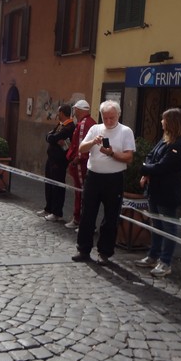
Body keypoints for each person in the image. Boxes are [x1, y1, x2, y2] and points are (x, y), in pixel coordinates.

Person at [72, 100, 135, 265]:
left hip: (114, 179)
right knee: (87, 214)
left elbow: (129, 157)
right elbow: (81, 148)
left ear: (118, 115)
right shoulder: (95, 129)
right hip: (93, 177)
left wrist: (112, 153)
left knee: (110, 217)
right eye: (105, 117)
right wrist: (93, 142)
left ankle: (105, 252)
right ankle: (83, 249)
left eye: (111, 118)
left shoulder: (125, 131)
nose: (108, 121)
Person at [134, 108, 181, 277]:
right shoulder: (164, 139)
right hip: (155, 190)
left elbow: (164, 166)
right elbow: (151, 156)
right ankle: (153, 255)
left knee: (168, 227)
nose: (161, 122)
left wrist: (144, 170)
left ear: (171, 122)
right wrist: (147, 171)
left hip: (168, 192)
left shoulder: (179, 143)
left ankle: (165, 262)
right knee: (156, 225)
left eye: (164, 119)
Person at [37, 104, 75, 222]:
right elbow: (49, 136)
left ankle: (56, 212)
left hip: (59, 161)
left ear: (62, 113)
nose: (57, 115)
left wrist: (52, 137)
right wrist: (51, 137)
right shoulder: (61, 124)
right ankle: (48, 208)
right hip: (51, 159)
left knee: (57, 186)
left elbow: (54, 137)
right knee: (49, 184)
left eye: (59, 113)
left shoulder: (69, 127)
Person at [66, 100, 96, 229]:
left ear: (79, 110)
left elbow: (80, 145)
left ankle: (81, 220)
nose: (74, 112)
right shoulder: (88, 123)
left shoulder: (84, 124)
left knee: (82, 192)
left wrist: (76, 160)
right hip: (83, 162)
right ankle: (80, 219)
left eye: (75, 109)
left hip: (81, 164)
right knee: (81, 192)